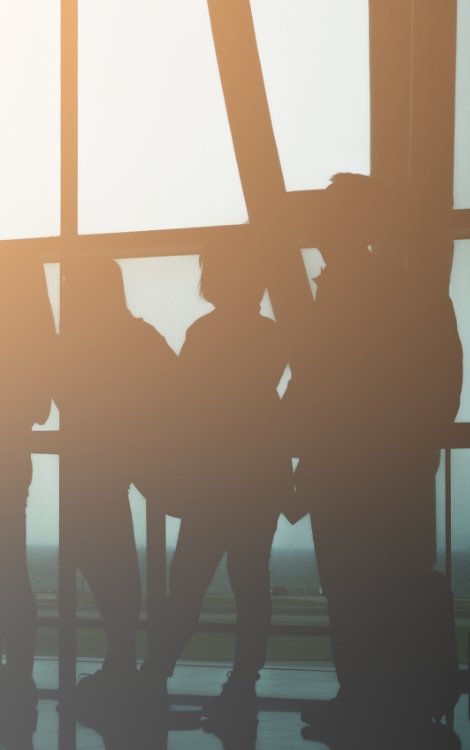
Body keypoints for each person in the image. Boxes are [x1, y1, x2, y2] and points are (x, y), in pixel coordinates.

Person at [289, 173, 463, 732]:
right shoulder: (416, 293)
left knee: (348, 587)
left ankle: (362, 694)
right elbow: (443, 386)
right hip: (396, 471)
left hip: (343, 470)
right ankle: (390, 699)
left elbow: (313, 385)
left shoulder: (336, 298)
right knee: (388, 583)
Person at [141, 247, 292, 722]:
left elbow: (183, 404)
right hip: (259, 474)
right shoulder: (272, 335)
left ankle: (155, 673)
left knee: (187, 582)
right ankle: (243, 682)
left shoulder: (204, 334)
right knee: (252, 584)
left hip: (212, 478)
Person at [53, 257, 174, 710]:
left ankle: (121, 660)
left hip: (95, 465)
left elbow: (63, 396)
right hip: (120, 464)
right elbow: (172, 385)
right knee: (114, 564)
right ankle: (123, 661)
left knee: (106, 563)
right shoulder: (140, 336)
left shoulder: (80, 344)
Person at [0, 255, 55, 693]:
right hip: (12, 462)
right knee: (11, 571)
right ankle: (18, 669)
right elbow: (40, 410)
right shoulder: (40, 338)